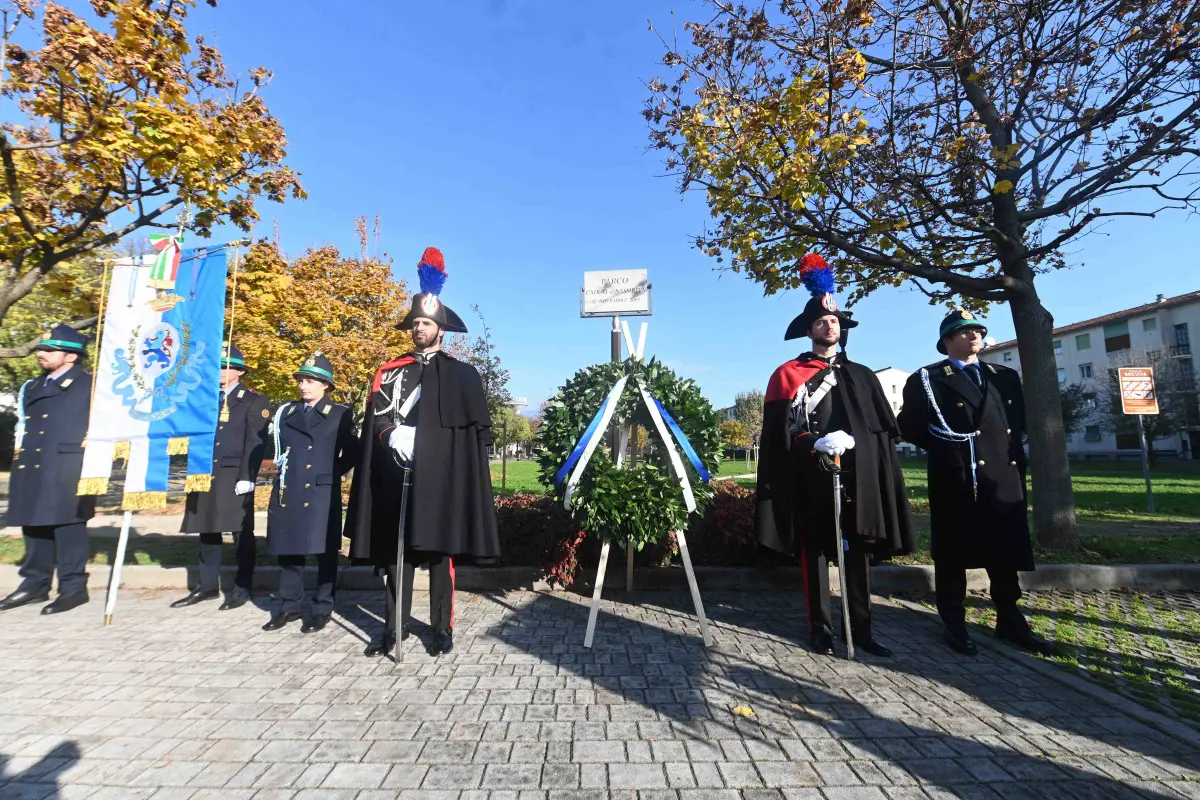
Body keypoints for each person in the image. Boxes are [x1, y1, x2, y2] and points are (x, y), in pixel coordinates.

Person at [755, 254, 915, 657]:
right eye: (823, 322)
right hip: (812, 477)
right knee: (816, 554)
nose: (831, 326)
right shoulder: (788, 374)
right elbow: (781, 432)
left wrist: (860, 445)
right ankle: (821, 627)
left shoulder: (862, 375)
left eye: (836, 322)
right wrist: (814, 443)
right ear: (809, 329)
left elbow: (881, 432)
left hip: (858, 478)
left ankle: (861, 627)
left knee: (858, 553)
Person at [346, 247, 500, 658]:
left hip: (440, 483)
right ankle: (393, 628)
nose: (419, 329)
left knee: (438, 557)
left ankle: (441, 628)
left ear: (440, 329)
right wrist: (391, 435)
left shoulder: (462, 375)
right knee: (399, 558)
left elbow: (472, 439)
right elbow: (376, 419)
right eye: (415, 323)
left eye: (426, 323)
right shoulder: (390, 372)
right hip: (397, 478)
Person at [898, 309, 1054, 656]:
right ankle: (953, 620)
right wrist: (949, 449)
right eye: (964, 331)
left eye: (977, 330)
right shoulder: (929, 378)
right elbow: (909, 425)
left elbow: (1017, 420)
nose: (974, 335)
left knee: (1004, 550)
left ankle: (1010, 619)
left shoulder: (1004, 376)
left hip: (1001, 473)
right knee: (953, 551)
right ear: (947, 341)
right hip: (957, 475)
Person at [0, 325, 96, 614]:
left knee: (68, 527)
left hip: (68, 465)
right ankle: (34, 585)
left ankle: (73, 588)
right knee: (34, 524)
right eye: (41, 349)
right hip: (32, 463)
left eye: (49, 350)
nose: (41, 354)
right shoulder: (33, 386)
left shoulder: (91, 385)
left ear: (71, 356)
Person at [262, 352, 356, 633]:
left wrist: (328, 474)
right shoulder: (286, 413)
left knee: (325, 553)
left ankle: (322, 608)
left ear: (326, 385)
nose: (304, 385)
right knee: (288, 551)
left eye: (312, 381)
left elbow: (351, 452)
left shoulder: (339, 414)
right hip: (288, 490)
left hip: (320, 492)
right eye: (302, 380)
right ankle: (289, 606)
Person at [172, 345, 270, 610]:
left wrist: (247, 476)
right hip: (205, 473)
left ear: (239, 371)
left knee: (241, 533)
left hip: (233, 474)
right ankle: (206, 586)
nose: (219, 371)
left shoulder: (252, 400)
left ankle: (242, 587)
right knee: (207, 530)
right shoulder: (204, 397)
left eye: (226, 366)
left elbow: (255, 442)